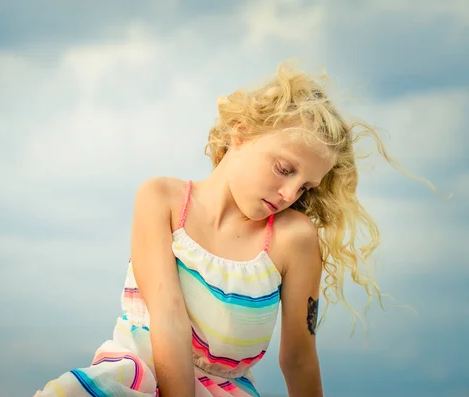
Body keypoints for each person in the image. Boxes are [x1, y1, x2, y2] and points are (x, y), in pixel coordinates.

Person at [32, 62, 413, 397]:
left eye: (305, 188)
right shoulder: (161, 199)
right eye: (284, 169)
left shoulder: (293, 240)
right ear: (241, 133)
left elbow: (298, 358)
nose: (288, 194)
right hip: (132, 381)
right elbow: (168, 319)